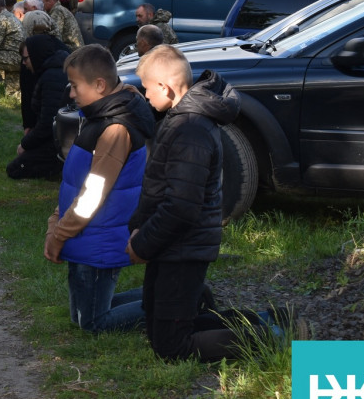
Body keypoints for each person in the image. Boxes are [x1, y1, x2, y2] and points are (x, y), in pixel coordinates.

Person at [128, 45, 279, 360]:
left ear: (165, 88)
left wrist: (143, 243)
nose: (144, 95)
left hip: (184, 247)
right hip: (171, 244)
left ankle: (269, 335)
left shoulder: (190, 130)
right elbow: (160, 187)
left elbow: (182, 206)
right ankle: (266, 319)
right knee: (158, 327)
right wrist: (139, 227)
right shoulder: (179, 118)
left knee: (172, 347)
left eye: (146, 88)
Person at [44, 44, 156, 333]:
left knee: (92, 324)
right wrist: (55, 222)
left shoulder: (115, 129)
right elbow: (77, 182)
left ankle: (174, 301)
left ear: (100, 85)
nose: (70, 93)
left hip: (99, 239)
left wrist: (60, 234)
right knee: (81, 317)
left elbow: (93, 193)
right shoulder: (100, 116)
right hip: (86, 234)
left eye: (75, 86)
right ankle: (164, 296)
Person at [6, 34, 71, 180]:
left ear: (36, 55)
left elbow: (48, 122)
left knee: (15, 169)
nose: (24, 63)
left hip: (59, 142)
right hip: (59, 138)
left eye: (26, 58)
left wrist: (26, 144)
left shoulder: (51, 77)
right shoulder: (53, 70)